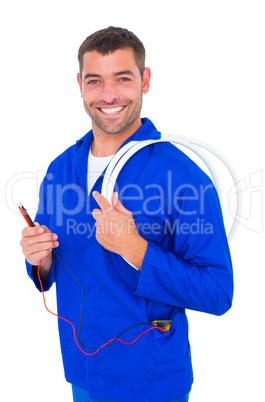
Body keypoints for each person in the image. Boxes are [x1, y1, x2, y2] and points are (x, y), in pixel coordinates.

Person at [20, 27, 233, 402]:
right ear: (80, 85)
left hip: (149, 380)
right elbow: (51, 271)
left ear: (145, 80)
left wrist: (136, 249)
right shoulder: (59, 170)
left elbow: (217, 293)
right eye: (95, 81)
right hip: (82, 373)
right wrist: (40, 257)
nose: (109, 95)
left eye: (122, 78)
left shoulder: (181, 176)